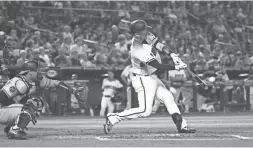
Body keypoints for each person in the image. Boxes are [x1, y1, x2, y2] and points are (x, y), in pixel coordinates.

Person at [103, 20, 196, 134]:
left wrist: (172, 54)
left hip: (152, 77)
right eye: (143, 31)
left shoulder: (144, 36)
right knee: (145, 111)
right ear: (137, 34)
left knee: (168, 98)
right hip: (143, 79)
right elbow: (157, 66)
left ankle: (182, 126)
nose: (147, 32)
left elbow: (159, 44)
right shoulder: (137, 49)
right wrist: (176, 67)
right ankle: (113, 117)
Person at [0, 60, 80, 139]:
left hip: (8, 110)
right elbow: (1, 97)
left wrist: (72, 90)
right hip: (2, 110)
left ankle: (12, 127)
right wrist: (21, 104)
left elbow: (54, 82)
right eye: (37, 70)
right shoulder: (19, 82)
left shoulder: (32, 81)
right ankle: (15, 130)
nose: (39, 72)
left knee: (36, 102)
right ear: (30, 72)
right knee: (33, 103)